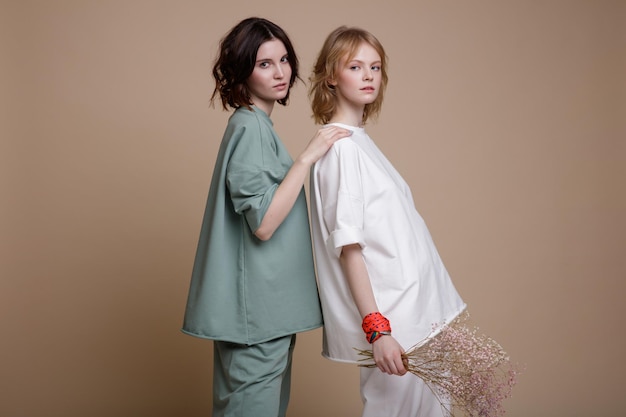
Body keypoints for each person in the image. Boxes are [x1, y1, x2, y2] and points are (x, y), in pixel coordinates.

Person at [182, 17, 351, 417]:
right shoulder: (250, 127)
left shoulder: (255, 125)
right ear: (242, 70)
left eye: (284, 60)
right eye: (264, 64)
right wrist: (308, 158)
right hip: (255, 318)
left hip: (262, 317)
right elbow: (264, 223)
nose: (280, 72)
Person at [308, 26, 467, 417]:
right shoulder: (341, 148)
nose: (368, 76)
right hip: (396, 327)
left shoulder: (359, 141)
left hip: (417, 317)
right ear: (331, 76)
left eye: (375, 67)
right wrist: (378, 331)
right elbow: (349, 248)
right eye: (355, 66)